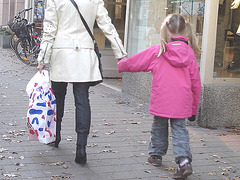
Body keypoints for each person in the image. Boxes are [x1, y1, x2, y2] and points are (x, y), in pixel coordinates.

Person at [37, 0, 127, 165]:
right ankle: (81, 147)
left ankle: (55, 137)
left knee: (58, 98)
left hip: (61, 52)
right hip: (84, 53)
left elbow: (50, 29)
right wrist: (120, 52)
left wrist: (43, 58)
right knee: (82, 99)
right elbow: (107, 25)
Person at [118, 14, 201, 179]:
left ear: (166, 31)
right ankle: (184, 162)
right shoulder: (190, 54)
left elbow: (137, 62)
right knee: (180, 130)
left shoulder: (159, 51)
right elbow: (196, 83)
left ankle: (156, 155)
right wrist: (193, 108)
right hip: (182, 102)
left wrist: (122, 64)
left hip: (161, 100)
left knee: (159, 127)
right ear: (185, 31)